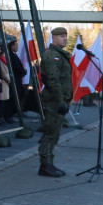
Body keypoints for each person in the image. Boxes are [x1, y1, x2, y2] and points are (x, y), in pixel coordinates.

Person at [37, 27, 73, 177]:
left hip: (59, 99)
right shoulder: (52, 55)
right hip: (53, 100)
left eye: (65, 35)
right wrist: (60, 100)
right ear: (54, 37)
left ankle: (49, 163)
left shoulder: (60, 55)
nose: (65, 38)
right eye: (61, 36)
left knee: (55, 133)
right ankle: (45, 164)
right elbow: (53, 80)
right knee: (50, 132)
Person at [7, 39, 27, 119]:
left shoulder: (14, 55)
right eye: (16, 45)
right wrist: (22, 70)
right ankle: (9, 114)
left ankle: (14, 112)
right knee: (12, 97)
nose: (17, 47)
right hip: (14, 79)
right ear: (12, 46)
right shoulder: (11, 56)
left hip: (18, 79)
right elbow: (16, 67)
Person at [0, 43, 12, 123]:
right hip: (3, 83)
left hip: (5, 84)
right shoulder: (0, 61)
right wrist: (9, 80)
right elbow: (3, 73)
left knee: (3, 102)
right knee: (0, 102)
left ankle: (1, 117)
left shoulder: (4, 60)